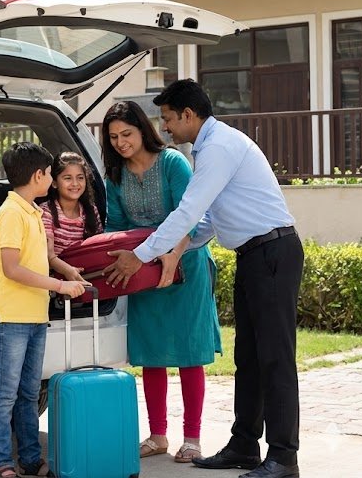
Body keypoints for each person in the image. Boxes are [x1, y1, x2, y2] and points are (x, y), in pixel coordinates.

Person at [104, 80, 303, 478]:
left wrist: (140, 256)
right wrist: (175, 251)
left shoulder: (217, 147)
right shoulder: (209, 147)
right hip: (252, 256)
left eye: (169, 119)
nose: (166, 129)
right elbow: (205, 223)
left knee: (275, 360)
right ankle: (245, 445)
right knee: (248, 358)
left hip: (273, 253)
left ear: (189, 116)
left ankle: (284, 457)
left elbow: (188, 211)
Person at [99, 101, 222, 464]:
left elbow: (190, 215)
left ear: (143, 130)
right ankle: (157, 435)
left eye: (127, 134)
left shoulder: (172, 162)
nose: (121, 142)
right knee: (151, 354)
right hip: (142, 272)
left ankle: (193, 439)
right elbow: (115, 228)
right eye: (113, 137)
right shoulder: (115, 176)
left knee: (188, 354)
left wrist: (168, 254)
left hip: (187, 267)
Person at [0, 142, 86, 478]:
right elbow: (12, 268)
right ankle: (1, 464)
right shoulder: (11, 213)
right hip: (10, 317)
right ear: (38, 175)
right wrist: (58, 286)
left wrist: (67, 272)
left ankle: (30, 459)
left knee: (29, 393)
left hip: (35, 316)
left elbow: (41, 258)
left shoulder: (34, 211)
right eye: (50, 173)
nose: (53, 180)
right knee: (5, 396)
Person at [40, 151, 102, 279]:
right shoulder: (46, 212)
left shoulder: (91, 210)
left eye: (80, 177)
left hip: (88, 278)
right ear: (54, 182)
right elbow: (47, 255)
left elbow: (98, 247)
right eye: (67, 178)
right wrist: (68, 271)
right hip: (56, 283)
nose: (75, 183)